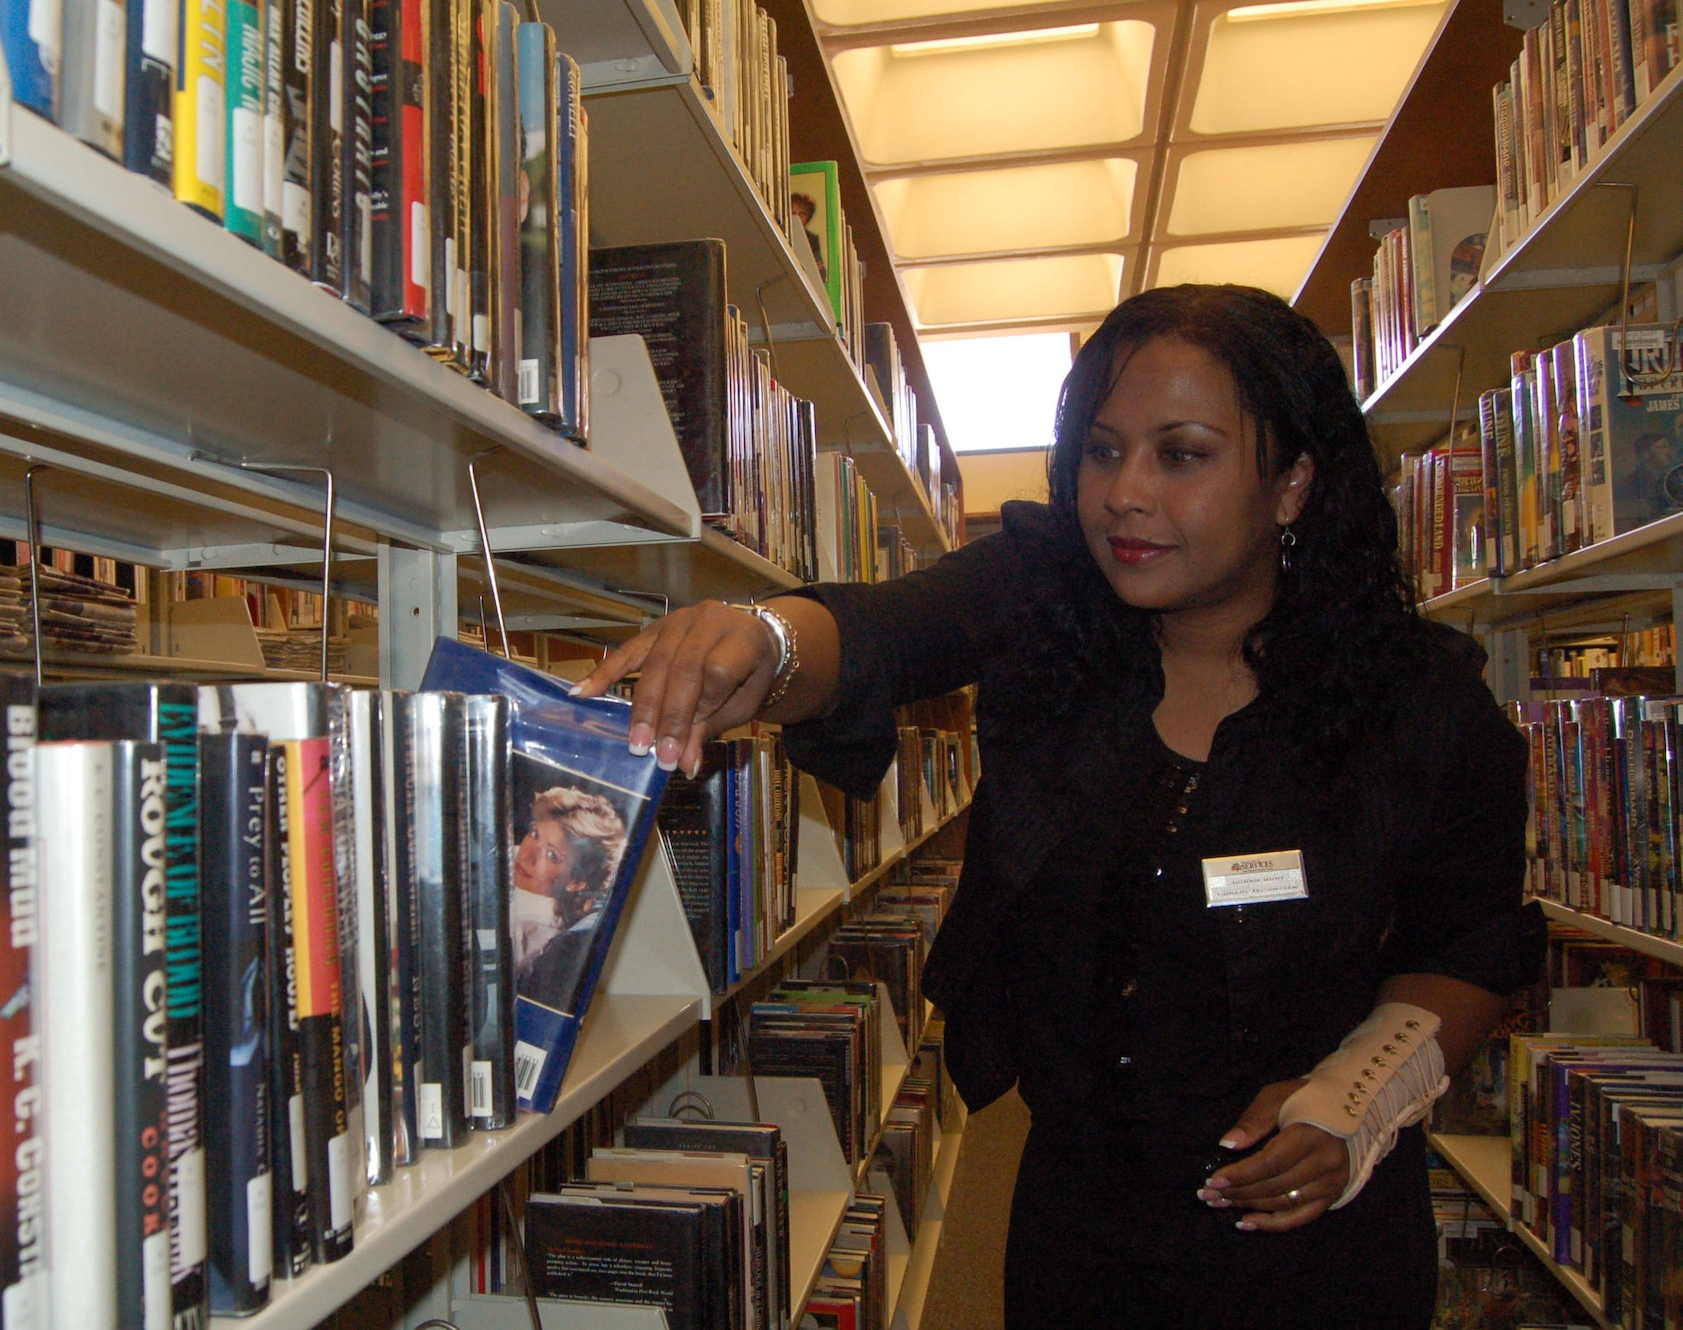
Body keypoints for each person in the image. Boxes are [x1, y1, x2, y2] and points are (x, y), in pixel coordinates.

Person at [573, 284, 1544, 1328]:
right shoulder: (1048, 602)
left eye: (1180, 454)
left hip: (1303, 1242)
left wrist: (1356, 1099)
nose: (1122, 493)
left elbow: (1470, 944)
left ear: (1292, 482)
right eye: (1099, 448)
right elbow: (886, 629)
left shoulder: (1419, 703)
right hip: (1075, 1225)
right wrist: (761, 640)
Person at [511, 784, 630, 1013]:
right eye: (534, 834)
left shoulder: (531, 928)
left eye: (552, 856)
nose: (528, 855)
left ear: (575, 882)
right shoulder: (518, 862)